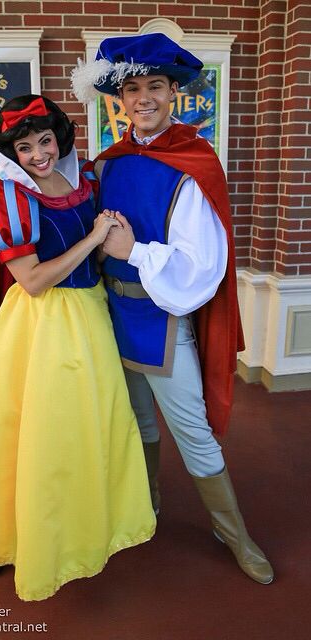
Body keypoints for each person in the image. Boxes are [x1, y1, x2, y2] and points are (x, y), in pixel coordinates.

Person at [71, 33, 274, 585]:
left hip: (160, 321)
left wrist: (132, 250)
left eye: (154, 86)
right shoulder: (109, 162)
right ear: (119, 100)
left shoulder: (192, 163)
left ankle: (234, 534)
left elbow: (204, 263)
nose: (143, 98)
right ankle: (149, 506)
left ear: (173, 93)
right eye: (131, 89)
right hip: (107, 318)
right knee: (135, 422)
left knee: (193, 431)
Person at [0, 94, 156, 602]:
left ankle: (81, 530)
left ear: (59, 137)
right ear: (10, 151)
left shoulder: (80, 180)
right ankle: (10, 540)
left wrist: (114, 238)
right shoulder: (6, 196)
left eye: (45, 140)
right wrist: (93, 236)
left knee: (82, 431)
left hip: (90, 317)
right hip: (41, 327)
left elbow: (96, 250)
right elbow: (34, 281)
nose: (39, 154)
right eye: (25, 146)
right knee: (30, 435)